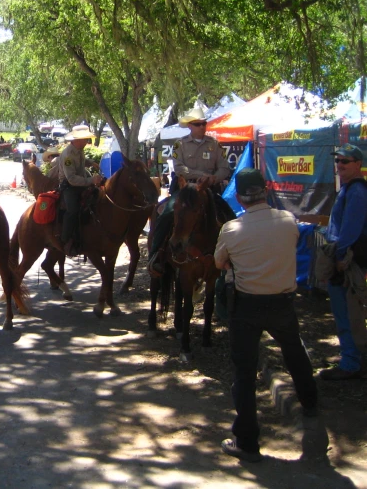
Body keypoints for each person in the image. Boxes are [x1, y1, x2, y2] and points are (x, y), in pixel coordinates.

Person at [214, 168, 318, 462]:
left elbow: (219, 262)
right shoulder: (288, 221)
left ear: (239, 197)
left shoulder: (231, 229)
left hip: (247, 306)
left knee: (244, 372)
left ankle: (247, 441)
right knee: (295, 353)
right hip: (282, 302)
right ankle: (310, 404)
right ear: (266, 191)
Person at [149, 107, 230, 274]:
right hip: (185, 190)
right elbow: (179, 168)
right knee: (165, 214)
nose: (202, 127)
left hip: (208, 190)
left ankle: (232, 258)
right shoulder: (181, 144)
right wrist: (202, 174)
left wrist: (212, 179)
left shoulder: (215, 144)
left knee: (229, 216)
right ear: (190, 126)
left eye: (203, 123)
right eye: (198, 124)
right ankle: (156, 255)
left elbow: (224, 168)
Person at [320, 143, 367, 380]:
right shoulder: (349, 189)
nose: (339, 165)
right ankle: (350, 356)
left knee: (347, 313)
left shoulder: (357, 191)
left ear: (358, 164)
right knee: (343, 312)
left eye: (345, 161)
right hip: (342, 258)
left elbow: (350, 229)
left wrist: (339, 259)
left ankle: (351, 363)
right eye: (337, 161)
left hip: (347, 262)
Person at [58, 125, 103, 256]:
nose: (86, 142)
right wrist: (91, 180)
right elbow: (71, 178)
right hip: (69, 186)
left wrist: (91, 163)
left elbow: (81, 161)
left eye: (86, 139)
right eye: (84, 139)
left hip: (81, 183)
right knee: (72, 210)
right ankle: (65, 240)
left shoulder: (79, 149)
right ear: (76, 140)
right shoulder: (67, 155)